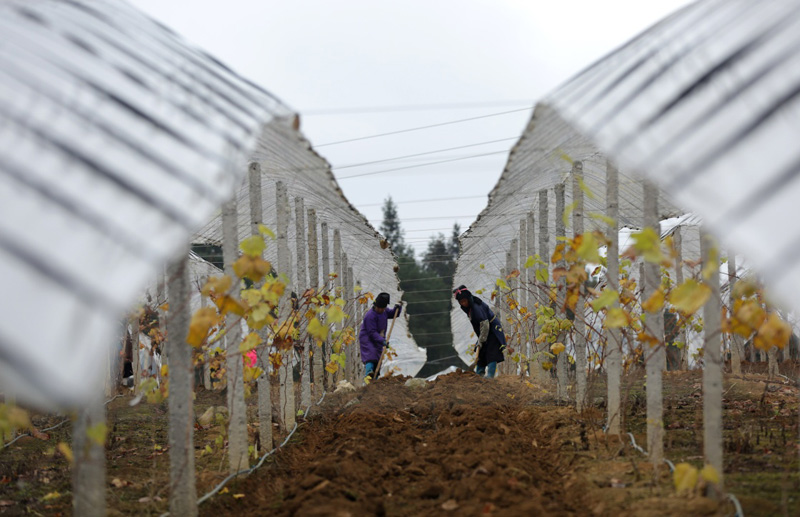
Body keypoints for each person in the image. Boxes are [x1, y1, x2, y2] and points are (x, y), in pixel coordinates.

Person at [453, 285, 505, 378]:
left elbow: (485, 325)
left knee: (491, 352)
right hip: (484, 332)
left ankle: (490, 376)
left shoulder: (476, 308)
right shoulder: (469, 308)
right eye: (461, 302)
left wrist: (481, 340)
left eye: (465, 300)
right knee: (481, 352)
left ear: (468, 299)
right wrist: (481, 341)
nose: (464, 303)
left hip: (492, 331)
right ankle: (479, 374)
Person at [359, 292, 402, 380]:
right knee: (371, 355)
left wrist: (398, 308)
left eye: (383, 308)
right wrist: (382, 340)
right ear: (375, 306)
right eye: (379, 308)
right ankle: (368, 373)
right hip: (367, 338)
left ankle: (375, 377)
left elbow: (394, 314)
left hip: (378, 339)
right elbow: (372, 332)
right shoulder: (370, 315)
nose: (381, 310)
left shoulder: (385, 311)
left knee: (378, 359)